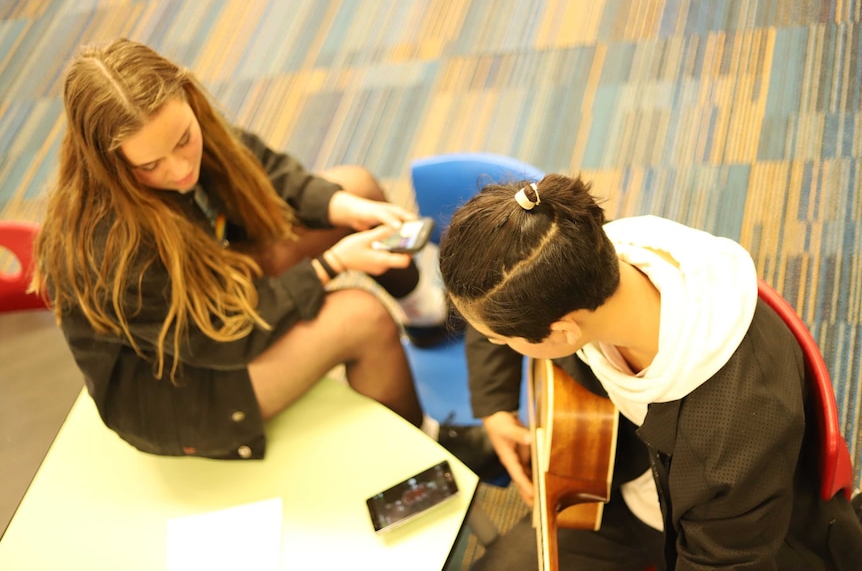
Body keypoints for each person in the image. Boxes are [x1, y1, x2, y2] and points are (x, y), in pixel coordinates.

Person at [31, 38, 501, 478]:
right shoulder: (108, 249)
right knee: (361, 318)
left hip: (216, 279)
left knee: (354, 188)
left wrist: (342, 207)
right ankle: (432, 444)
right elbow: (225, 335)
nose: (180, 169)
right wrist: (331, 264)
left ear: (188, 101)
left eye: (183, 140)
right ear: (107, 163)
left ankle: (425, 319)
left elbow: (268, 171)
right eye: (149, 165)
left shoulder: (178, 125)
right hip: (184, 383)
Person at [438, 174, 862, 570]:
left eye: (500, 340)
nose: (495, 343)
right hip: (620, 458)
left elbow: (720, 561)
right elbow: (495, 296)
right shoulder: (573, 247)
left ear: (564, 331)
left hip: (690, 522)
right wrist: (496, 407)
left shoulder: (734, 437)